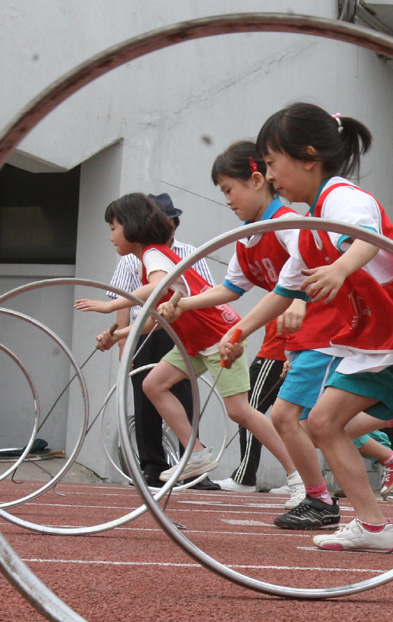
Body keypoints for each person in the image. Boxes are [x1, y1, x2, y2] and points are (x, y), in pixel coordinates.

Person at [219, 102, 393, 551]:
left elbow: (366, 239)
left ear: (307, 156)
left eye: (272, 164)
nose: (269, 177)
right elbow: (283, 291)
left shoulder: (343, 198)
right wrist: (237, 332)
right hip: (370, 345)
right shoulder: (308, 224)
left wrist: (340, 269)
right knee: (322, 421)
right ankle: (372, 526)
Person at [165, 141, 393, 522]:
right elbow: (252, 288)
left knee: (295, 417)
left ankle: (324, 494)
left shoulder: (304, 221)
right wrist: (203, 313)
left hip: (330, 330)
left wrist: (294, 304)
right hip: (305, 334)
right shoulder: (255, 235)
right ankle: (358, 499)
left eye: (229, 189)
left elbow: (318, 268)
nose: (271, 176)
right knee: (316, 420)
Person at [74, 192, 297, 488]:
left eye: (114, 227)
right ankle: (195, 453)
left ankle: (298, 476)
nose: (111, 235)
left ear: (131, 226)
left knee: (239, 411)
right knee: (152, 384)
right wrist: (118, 334)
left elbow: (157, 286)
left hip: (219, 338)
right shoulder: (150, 258)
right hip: (192, 342)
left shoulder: (153, 255)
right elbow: (155, 320)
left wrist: (111, 306)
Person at [106, 192, 219, 491]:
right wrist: (122, 342)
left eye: (167, 220)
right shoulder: (134, 256)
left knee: (183, 393)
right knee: (146, 394)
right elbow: (124, 299)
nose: (162, 226)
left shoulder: (184, 252)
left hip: (180, 331)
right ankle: (153, 466)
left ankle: (191, 463)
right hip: (148, 329)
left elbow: (201, 293)